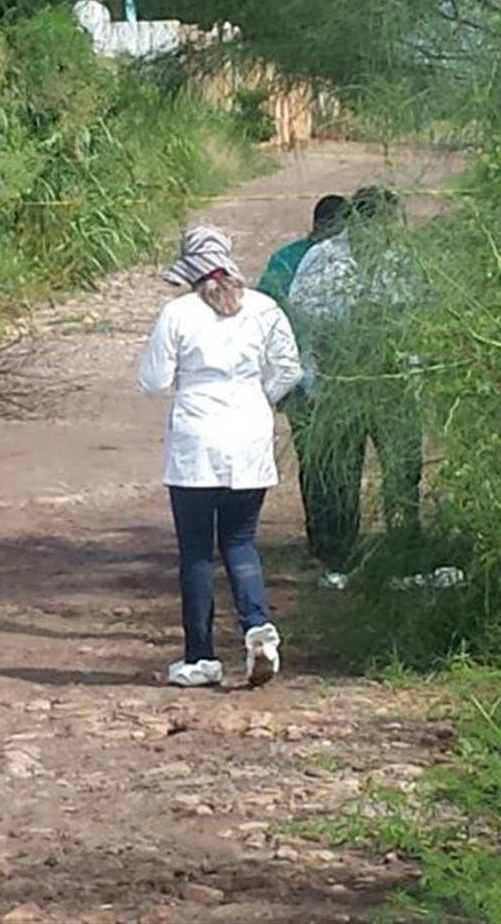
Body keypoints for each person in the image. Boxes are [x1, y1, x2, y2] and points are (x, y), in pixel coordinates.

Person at [138, 226, 304, 688]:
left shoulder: (179, 314)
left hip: (196, 440)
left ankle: (200, 656)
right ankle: (257, 628)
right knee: (240, 540)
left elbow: (153, 381)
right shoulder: (264, 309)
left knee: (195, 551)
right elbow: (289, 367)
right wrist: (259, 397)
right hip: (250, 434)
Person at [284, 186, 423, 569]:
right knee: (341, 473)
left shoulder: (400, 260)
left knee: (403, 470)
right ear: (361, 222)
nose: (391, 232)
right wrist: (352, 316)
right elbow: (303, 311)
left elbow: (419, 310)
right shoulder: (323, 259)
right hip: (339, 382)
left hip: (394, 380)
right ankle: (340, 560)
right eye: (385, 224)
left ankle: (404, 553)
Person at [258, 194, 350, 563]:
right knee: (327, 461)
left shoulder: (288, 258)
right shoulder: (309, 259)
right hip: (310, 376)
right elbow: (266, 308)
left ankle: (327, 539)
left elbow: (263, 306)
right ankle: (331, 539)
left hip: (310, 377)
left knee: (321, 461)